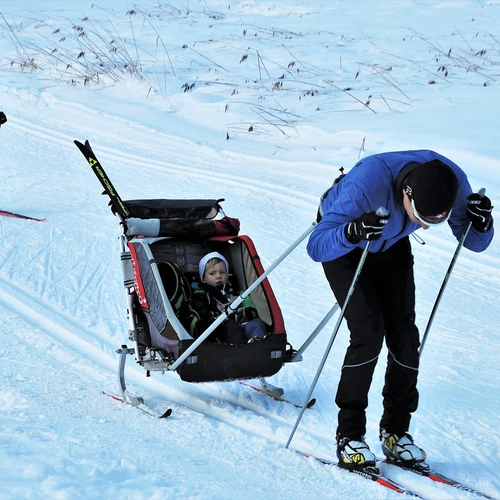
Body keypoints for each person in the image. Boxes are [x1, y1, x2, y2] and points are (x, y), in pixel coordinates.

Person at [307, 150, 494, 469]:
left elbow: (474, 243)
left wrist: (482, 223)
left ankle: (395, 433)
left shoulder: (450, 179)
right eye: (420, 218)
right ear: (407, 193)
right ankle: (349, 436)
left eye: (433, 222)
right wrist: (352, 232)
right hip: (348, 242)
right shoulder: (367, 184)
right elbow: (317, 245)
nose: (423, 228)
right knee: (368, 332)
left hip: (390, 243)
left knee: (406, 338)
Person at [191, 251, 268, 343]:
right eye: (212, 273)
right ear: (203, 278)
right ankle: (239, 350)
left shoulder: (237, 293)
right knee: (231, 326)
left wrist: (248, 312)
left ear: (228, 274)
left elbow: (250, 307)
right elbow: (202, 314)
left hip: (241, 323)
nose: (218, 276)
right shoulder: (201, 295)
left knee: (256, 323)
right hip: (218, 330)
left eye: (222, 272)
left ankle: (259, 345)